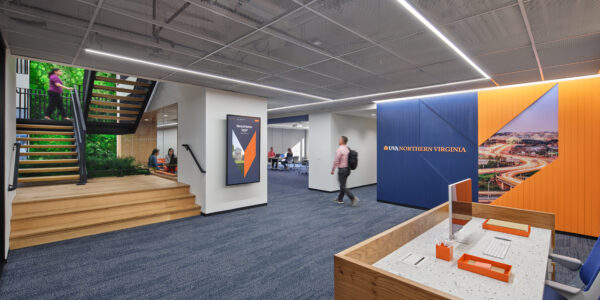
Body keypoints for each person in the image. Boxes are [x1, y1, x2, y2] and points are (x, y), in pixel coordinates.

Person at [331, 136, 359, 206]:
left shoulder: (340, 149)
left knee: (343, 186)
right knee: (343, 185)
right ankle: (340, 199)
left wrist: (333, 169)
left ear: (342, 141)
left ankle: (353, 198)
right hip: (347, 169)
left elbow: (336, 161)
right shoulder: (347, 149)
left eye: (340, 139)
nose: (339, 140)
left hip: (342, 170)